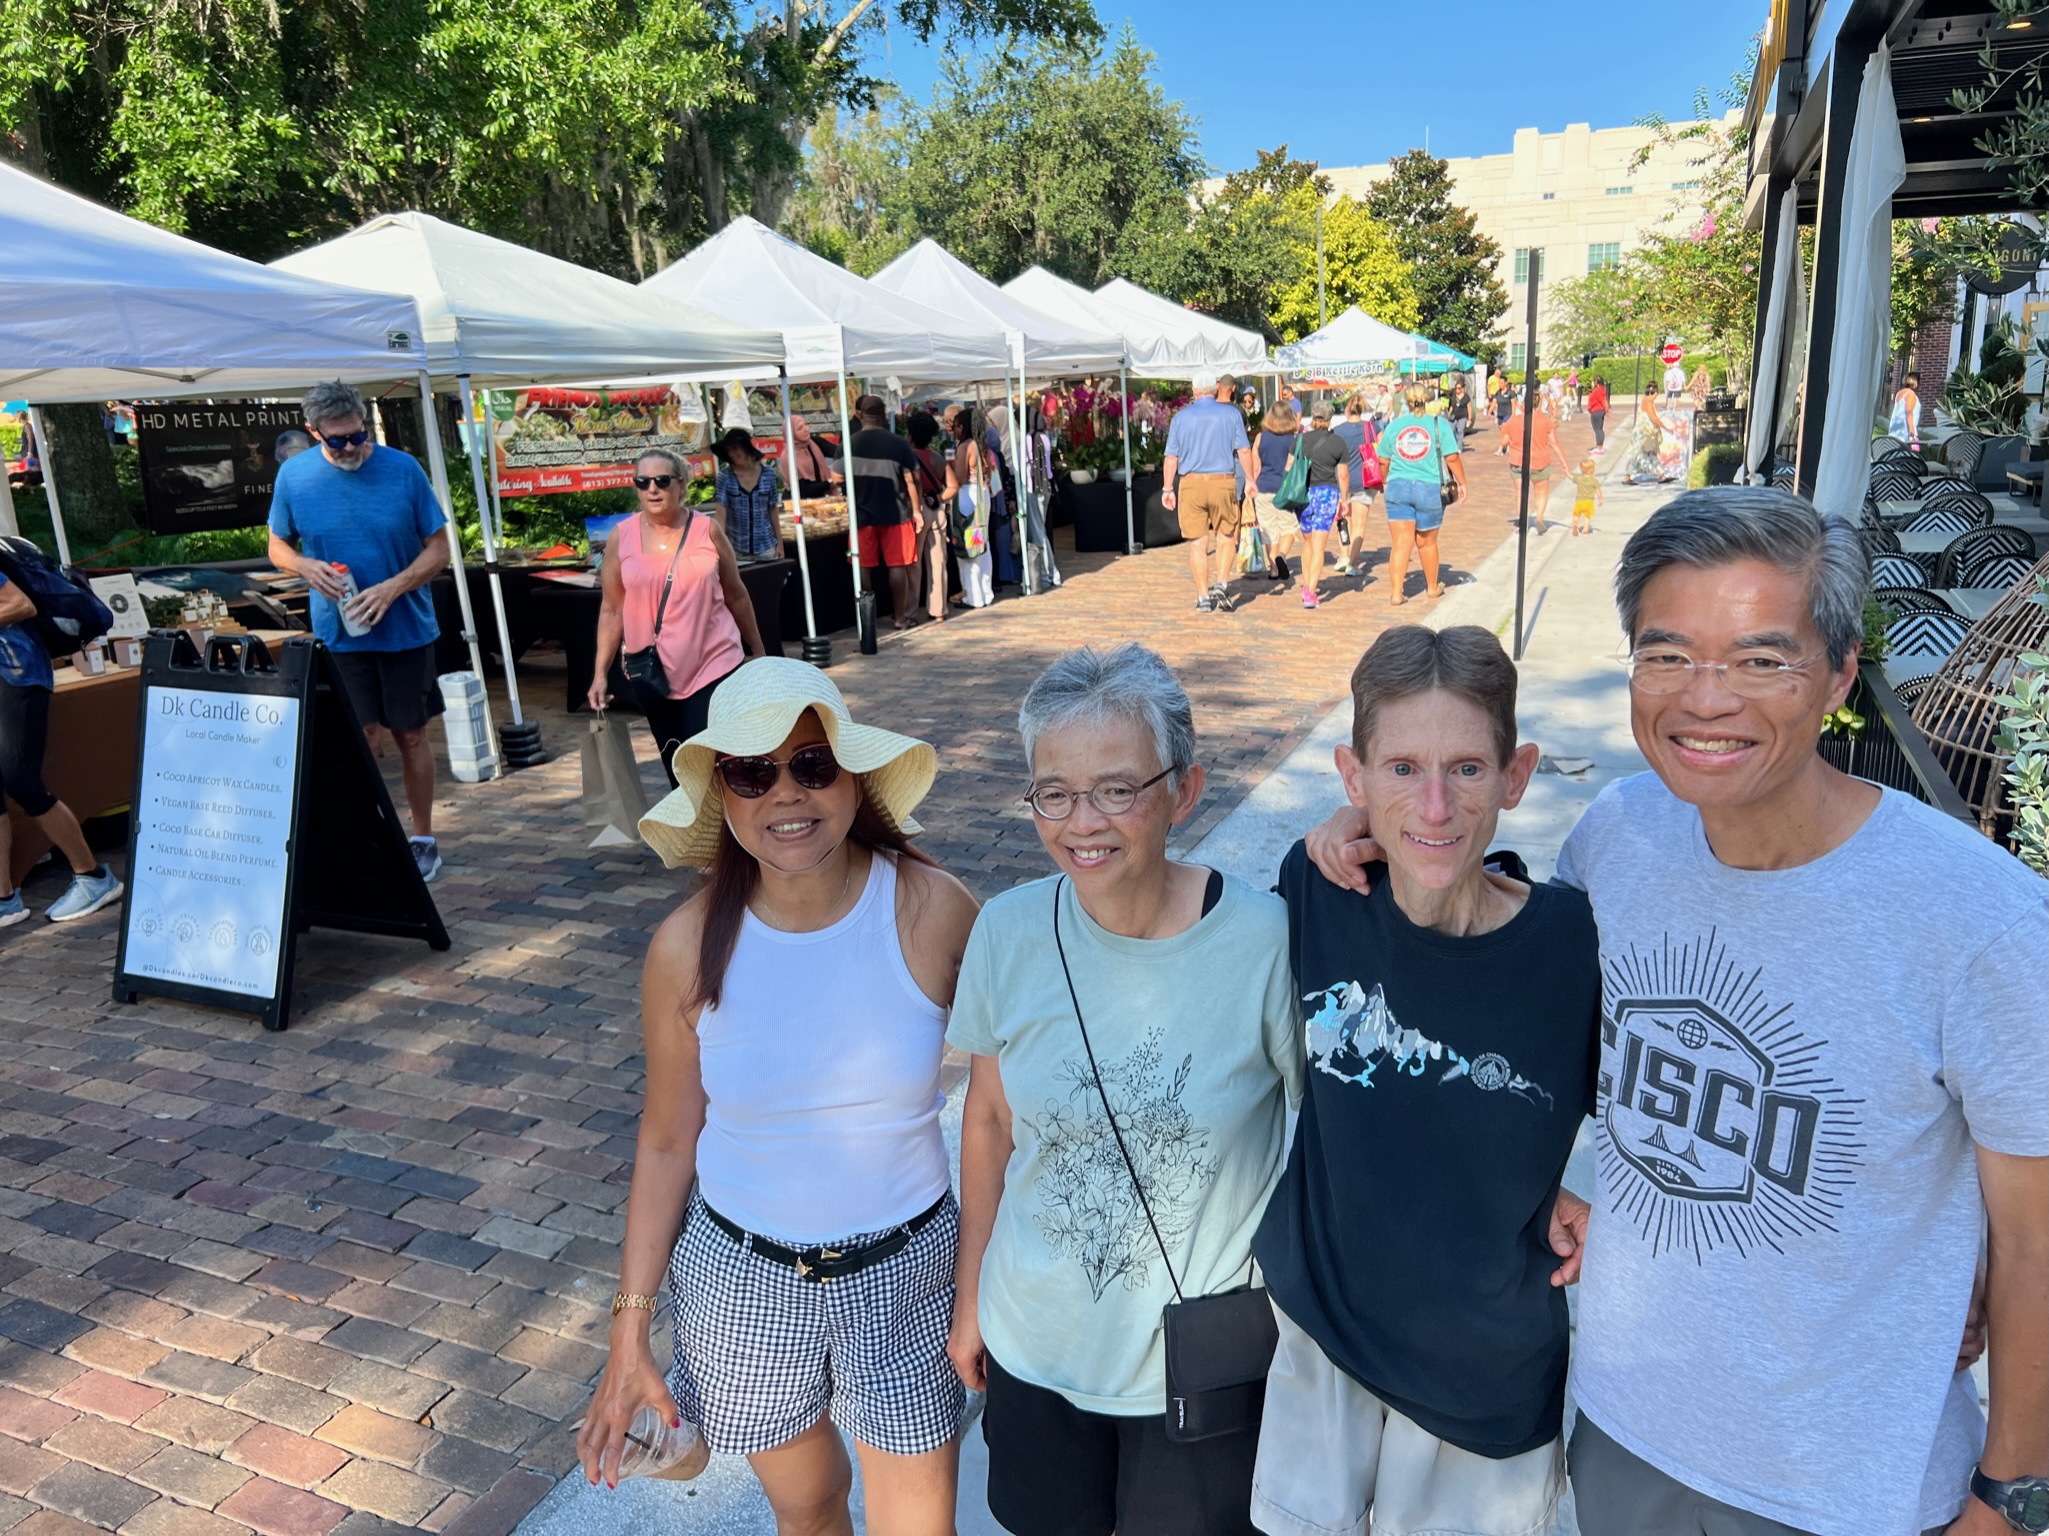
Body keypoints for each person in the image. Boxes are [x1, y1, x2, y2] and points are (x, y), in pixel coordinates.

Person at [1301, 488, 2047, 1536]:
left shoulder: (1981, 921)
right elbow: (1507, 1000)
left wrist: (2008, 1497)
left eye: (1759, 659)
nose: (1706, 699)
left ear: (1841, 674)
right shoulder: (1619, 835)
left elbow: (2035, 1245)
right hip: (1623, 1436)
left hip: (1845, 1487)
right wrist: (1373, 831)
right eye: (1667, 654)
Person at [577, 658, 980, 1535]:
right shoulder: (685, 945)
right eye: (752, 773)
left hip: (908, 1273)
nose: (786, 793)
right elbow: (666, 1139)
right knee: (808, 1509)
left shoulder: (934, 908)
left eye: (812, 764)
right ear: (722, 794)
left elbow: (1001, 1108)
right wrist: (629, 1329)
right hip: (742, 1283)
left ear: (853, 777)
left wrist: (982, 1280)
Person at [948, 643, 1303, 1536]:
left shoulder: (1265, 941)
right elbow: (987, 1120)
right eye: (1053, 793)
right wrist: (970, 1297)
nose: (1082, 823)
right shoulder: (1007, 931)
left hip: (1198, 1362)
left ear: (1184, 791)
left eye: (1116, 789)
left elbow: (1334, 1130)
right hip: (1034, 1340)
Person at [1252, 624, 1598, 1536]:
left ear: (1516, 775)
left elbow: (1657, 1126)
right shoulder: (1317, 890)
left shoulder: (1573, 946)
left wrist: (1604, 1211)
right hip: (1322, 1342)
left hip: (1482, 1381)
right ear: (1351, 776)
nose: (1435, 806)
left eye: (1467, 769)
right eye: (1401, 768)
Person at [267, 380, 451, 883]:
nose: (351, 447)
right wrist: (304, 566)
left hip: (406, 628)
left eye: (358, 435)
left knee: (411, 734)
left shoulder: (402, 469)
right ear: (313, 432)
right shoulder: (295, 476)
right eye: (337, 440)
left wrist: (393, 587)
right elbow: (277, 546)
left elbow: (439, 550)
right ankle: (375, 835)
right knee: (362, 738)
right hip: (340, 632)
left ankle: (422, 838)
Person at [589, 449, 763, 787]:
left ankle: (725, 818)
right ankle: (690, 821)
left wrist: (758, 651)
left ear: (681, 486)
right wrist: (599, 674)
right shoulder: (621, 537)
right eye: (643, 482)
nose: (652, 489)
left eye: (662, 480)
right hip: (652, 672)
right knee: (677, 768)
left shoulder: (707, 530)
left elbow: (736, 594)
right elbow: (611, 609)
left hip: (714, 664)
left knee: (708, 763)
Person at [0, 562, 124, 927]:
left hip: (18, 673)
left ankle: (93, 876)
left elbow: (21, 604)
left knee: (22, 781)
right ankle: (4, 899)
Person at [1162, 372, 1261, 614]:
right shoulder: (1231, 414)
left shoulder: (1180, 418)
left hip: (1191, 484)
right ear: (1215, 389)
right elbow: (1244, 451)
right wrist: (1250, 480)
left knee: (1198, 543)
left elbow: (1171, 456)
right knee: (1226, 535)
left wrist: (1167, 488)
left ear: (1194, 391)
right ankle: (1222, 583)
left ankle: (1203, 596)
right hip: (1222, 481)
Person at [1375, 383, 1467, 608]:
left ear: (1406, 401)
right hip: (1429, 487)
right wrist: (1462, 482)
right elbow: (1452, 457)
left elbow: (1383, 460)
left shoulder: (1395, 425)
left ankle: (1396, 593)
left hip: (1398, 486)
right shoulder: (1439, 424)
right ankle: (1432, 587)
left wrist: (1385, 479)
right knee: (1427, 542)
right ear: (1428, 400)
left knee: (1400, 543)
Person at [847, 395, 926, 631]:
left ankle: (867, 617)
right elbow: (913, 479)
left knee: (863, 565)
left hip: (862, 514)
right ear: (883, 415)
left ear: (861, 415)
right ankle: (900, 617)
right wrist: (917, 510)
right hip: (896, 513)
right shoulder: (898, 443)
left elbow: (837, 477)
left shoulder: (850, 443)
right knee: (897, 565)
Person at [1291, 405, 1352, 610]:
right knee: (1318, 545)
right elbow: (1343, 474)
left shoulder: (1300, 440)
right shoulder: (1337, 442)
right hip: (1326, 494)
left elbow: (1289, 467)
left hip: (1303, 494)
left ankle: (1306, 584)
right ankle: (1310, 592)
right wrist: (1345, 499)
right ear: (1330, 418)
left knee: (1308, 542)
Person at [905, 411, 954, 623]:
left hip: (915, 509)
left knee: (914, 563)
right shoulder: (937, 458)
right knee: (938, 560)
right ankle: (939, 609)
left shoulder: (906, 457)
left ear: (910, 434)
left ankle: (910, 612)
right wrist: (938, 498)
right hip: (936, 509)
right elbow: (953, 486)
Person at [708, 429, 783, 563]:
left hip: (766, 546)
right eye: (729, 450)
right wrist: (720, 548)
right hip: (736, 549)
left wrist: (780, 542)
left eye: (735, 448)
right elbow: (721, 514)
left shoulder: (768, 473)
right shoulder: (725, 477)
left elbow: (772, 509)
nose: (732, 454)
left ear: (747, 448)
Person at [949, 406, 996, 610]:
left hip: (967, 497)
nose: (954, 430)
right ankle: (985, 592)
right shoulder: (982, 446)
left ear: (962, 426)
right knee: (982, 544)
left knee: (968, 548)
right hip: (982, 495)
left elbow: (959, 477)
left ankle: (973, 596)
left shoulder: (965, 447)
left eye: (956, 425)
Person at [1252, 401, 1303, 585]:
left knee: (1268, 529)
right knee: (1289, 527)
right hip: (1285, 489)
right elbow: (1295, 466)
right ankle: (1282, 554)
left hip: (1263, 487)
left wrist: (1252, 487)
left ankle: (1273, 568)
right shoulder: (1295, 439)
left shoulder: (1260, 438)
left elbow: (1256, 467)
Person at [1504, 392, 1565, 536]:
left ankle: (1522, 522)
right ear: (1538, 404)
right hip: (1540, 460)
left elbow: (1503, 441)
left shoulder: (1513, 421)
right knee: (1541, 492)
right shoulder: (1545, 420)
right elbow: (1554, 443)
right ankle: (1539, 518)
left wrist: (1511, 442)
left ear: (1523, 404)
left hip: (1518, 460)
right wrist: (1564, 463)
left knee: (1521, 493)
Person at [1331, 395, 1379, 578]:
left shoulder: (1337, 431)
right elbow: (1382, 450)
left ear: (1346, 409)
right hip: (1364, 480)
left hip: (1341, 480)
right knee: (1359, 524)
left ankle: (1344, 555)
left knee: (1343, 520)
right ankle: (1353, 563)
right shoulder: (1371, 427)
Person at [786, 415, 842, 499]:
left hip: (820, 498)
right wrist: (830, 484)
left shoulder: (814, 443)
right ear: (791, 433)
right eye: (800, 428)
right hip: (798, 501)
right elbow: (804, 489)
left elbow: (839, 452)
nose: (805, 429)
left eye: (805, 425)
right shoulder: (789, 456)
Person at [1621, 393, 1670, 485]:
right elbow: (1654, 418)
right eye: (1656, 395)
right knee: (1640, 454)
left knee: (1648, 454)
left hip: (1642, 432)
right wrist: (1666, 428)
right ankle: (1627, 476)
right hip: (1644, 434)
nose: (1656, 397)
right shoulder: (1648, 403)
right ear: (1652, 393)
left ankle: (1661, 475)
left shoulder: (1644, 401)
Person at [1889, 371, 1923, 452]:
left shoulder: (1900, 393)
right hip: (1905, 432)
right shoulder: (1911, 394)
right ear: (1915, 381)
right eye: (1919, 380)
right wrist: (1912, 432)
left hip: (1895, 429)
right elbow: (1909, 413)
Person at [1569, 458, 1602, 537]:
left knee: (1576, 515)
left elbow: (1571, 477)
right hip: (1589, 502)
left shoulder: (1579, 479)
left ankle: (1575, 525)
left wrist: (1566, 472)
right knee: (1587, 517)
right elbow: (1598, 491)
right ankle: (1585, 530)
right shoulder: (1594, 481)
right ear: (1592, 469)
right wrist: (1601, 499)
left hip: (1579, 501)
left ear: (1582, 470)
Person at [1445, 377, 1473, 448]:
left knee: (1460, 431)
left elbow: (1469, 408)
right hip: (1453, 416)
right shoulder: (1453, 396)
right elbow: (1451, 406)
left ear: (1462, 389)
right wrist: (1448, 415)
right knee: (1451, 431)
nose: (1457, 390)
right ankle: (1453, 446)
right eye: (1456, 388)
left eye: (1459, 388)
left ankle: (1459, 447)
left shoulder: (1466, 397)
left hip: (1462, 416)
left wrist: (1469, 419)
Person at [1586, 377, 1610, 454]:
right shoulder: (1602, 389)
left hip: (1596, 411)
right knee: (1599, 429)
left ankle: (1599, 447)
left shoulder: (1598, 390)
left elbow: (1603, 400)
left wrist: (1606, 409)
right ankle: (1599, 446)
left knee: (1598, 430)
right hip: (1598, 411)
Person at [1493, 377, 1516, 451]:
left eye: (1501, 383)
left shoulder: (1510, 393)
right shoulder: (1498, 393)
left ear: (1506, 383)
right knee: (1503, 431)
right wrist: (1490, 412)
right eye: (1499, 383)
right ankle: (1508, 445)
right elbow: (1494, 402)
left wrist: (1513, 415)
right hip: (1500, 414)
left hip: (1508, 414)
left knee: (1503, 431)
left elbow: (1514, 404)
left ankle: (1500, 449)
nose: (1500, 384)